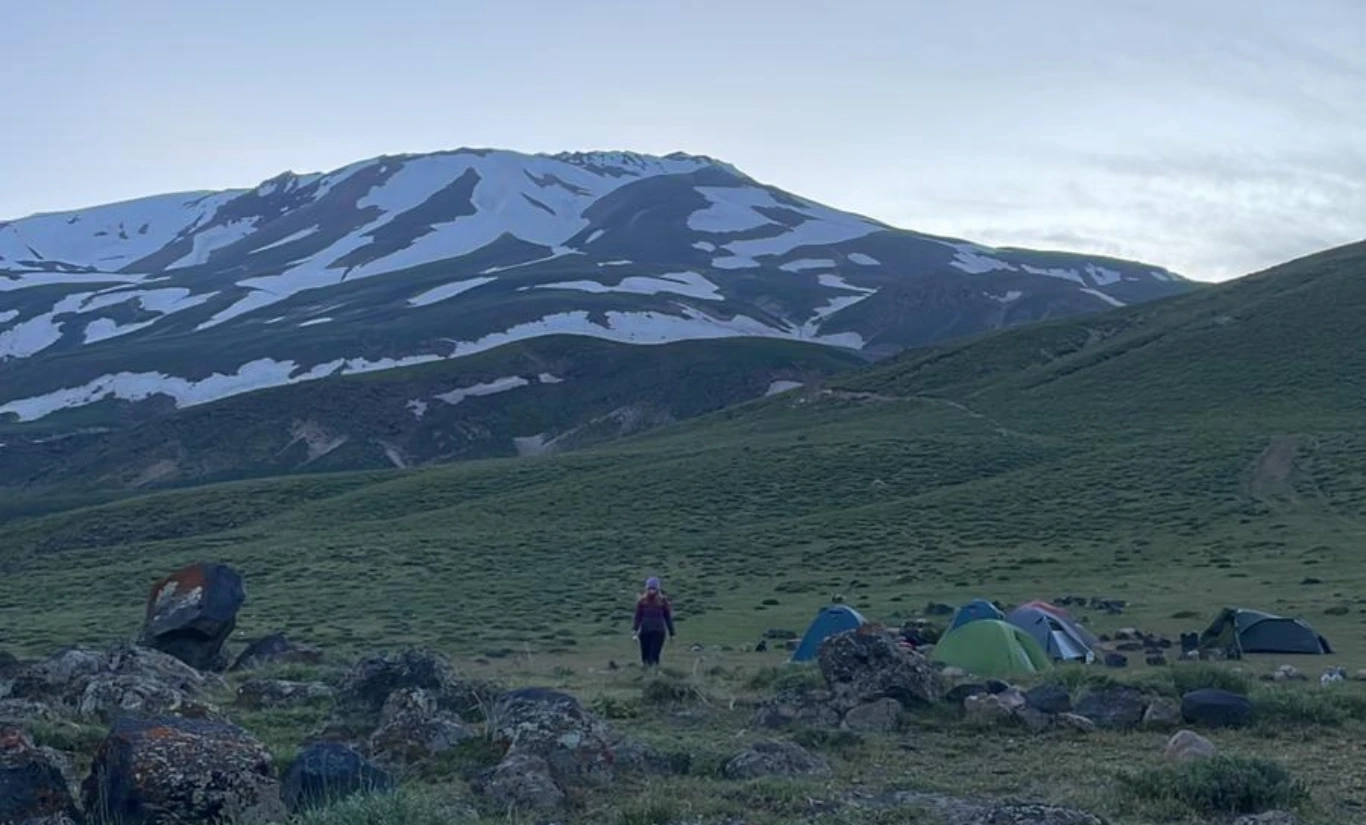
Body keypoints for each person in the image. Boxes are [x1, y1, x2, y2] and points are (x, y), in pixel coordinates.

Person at [632, 576, 675, 667]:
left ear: (657, 589)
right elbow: (638, 617)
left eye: (653, 589)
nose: (651, 591)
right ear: (646, 589)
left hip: (658, 632)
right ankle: (648, 673)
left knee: (654, 657)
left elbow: (668, 617)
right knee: (645, 657)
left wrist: (672, 633)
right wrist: (635, 631)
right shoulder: (642, 602)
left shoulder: (663, 602)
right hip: (645, 632)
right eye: (650, 588)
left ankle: (654, 672)